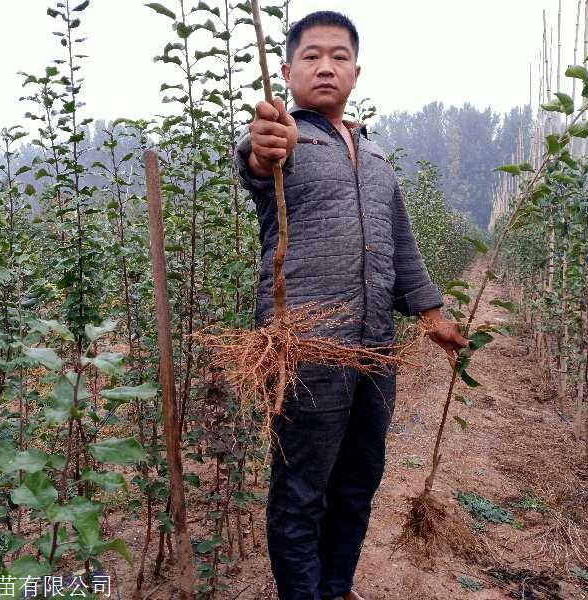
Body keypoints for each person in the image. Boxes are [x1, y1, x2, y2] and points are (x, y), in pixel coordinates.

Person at [234, 10, 468, 600]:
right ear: (286, 72)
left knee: (359, 480)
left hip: (375, 350)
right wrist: (263, 147)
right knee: (301, 488)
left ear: (357, 72)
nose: (326, 67)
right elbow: (257, 161)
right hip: (305, 347)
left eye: (339, 57)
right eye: (311, 56)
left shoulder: (380, 159)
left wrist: (432, 314)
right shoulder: (285, 139)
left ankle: (337, 587)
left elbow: (403, 246)